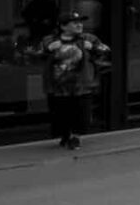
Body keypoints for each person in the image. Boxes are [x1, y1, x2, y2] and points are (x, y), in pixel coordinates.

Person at [33, 9, 108, 149]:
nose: (79, 25)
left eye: (80, 22)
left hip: (81, 84)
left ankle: (76, 137)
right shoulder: (49, 40)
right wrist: (48, 49)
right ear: (63, 26)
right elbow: (35, 55)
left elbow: (105, 51)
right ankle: (65, 135)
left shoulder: (88, 38)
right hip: (58, 86)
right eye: (75, 23)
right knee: (60, 112)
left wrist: (92, 47)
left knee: (81, 112)